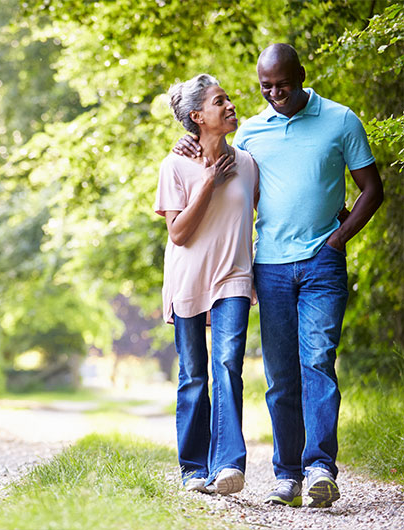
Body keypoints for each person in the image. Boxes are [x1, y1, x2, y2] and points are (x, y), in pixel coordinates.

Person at [174, 43, 384, 508]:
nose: (274, 93)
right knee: (280, 374)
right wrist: (186, 140)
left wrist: (339, 237)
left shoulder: (341, 120)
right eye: (265, 87)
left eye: (282, 84)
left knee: (318, 361)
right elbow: (218, 165)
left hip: (321, 262)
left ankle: (319, 468)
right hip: (268, 265)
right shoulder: (250, 132)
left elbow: (373, 189)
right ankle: (286, 475)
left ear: (302, 75)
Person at [155, 74, 259, 496]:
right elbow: (178, 233)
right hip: (189, 281)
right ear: (198, 116)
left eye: (228, 98)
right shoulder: (174, 165)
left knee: (228, 363)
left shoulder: (249, 163)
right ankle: (193, 469)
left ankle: (228, 465)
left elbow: (267, 212)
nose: (231, 105)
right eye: (220, 101)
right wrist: (207, 182)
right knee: (194, 373)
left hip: (233, 275)